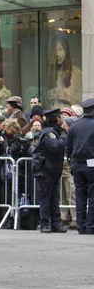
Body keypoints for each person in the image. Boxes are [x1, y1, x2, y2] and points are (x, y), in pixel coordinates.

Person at [31, 109, 67, 233]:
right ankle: (45, 224)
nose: (61, 118)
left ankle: (56, 223)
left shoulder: (53, 131)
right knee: (46, 198)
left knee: (54, 198)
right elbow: (55, 146)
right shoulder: (49, 133)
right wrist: (64, 134)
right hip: (45, 171)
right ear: (54, 119)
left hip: (52, 170)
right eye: (59, 116)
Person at [66, 98, 94, 235]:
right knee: (93, 197)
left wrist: (72, 162)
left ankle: (81, 226)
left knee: (80, 196)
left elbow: (68, 148)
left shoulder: (74, 126)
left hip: (77, 164)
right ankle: (91, 226)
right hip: (92, 164)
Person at [47, 37, 82, 110]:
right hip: (55, 117)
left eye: (60, 49)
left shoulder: (76, 73)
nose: (57, 54)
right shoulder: (52, 72)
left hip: (71, 118)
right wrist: (49, 96)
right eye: (55, 50)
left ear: (66, 51)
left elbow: (82, 104)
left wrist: (67, 97)